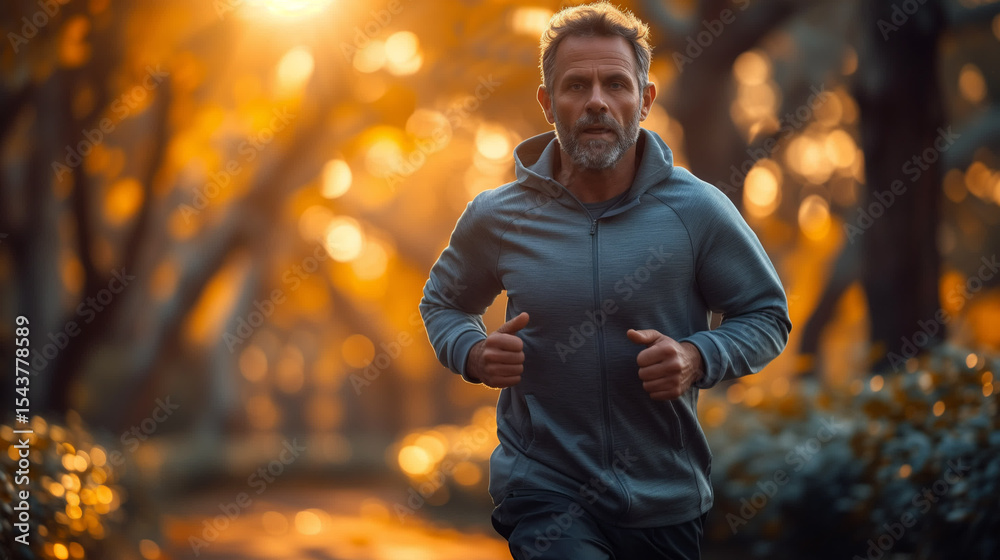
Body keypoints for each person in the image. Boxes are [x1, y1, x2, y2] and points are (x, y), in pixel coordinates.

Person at [419, 2, 791, 558]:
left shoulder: (698, 211)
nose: (597, 101)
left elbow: (766, 316)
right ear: (548, 103)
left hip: (666, 501)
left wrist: (697, 356)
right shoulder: (497, 216)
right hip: (544, 491)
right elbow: (442, 303)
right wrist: (472, 352)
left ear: (645, 98)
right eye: (576, 86)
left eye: (616, 83)